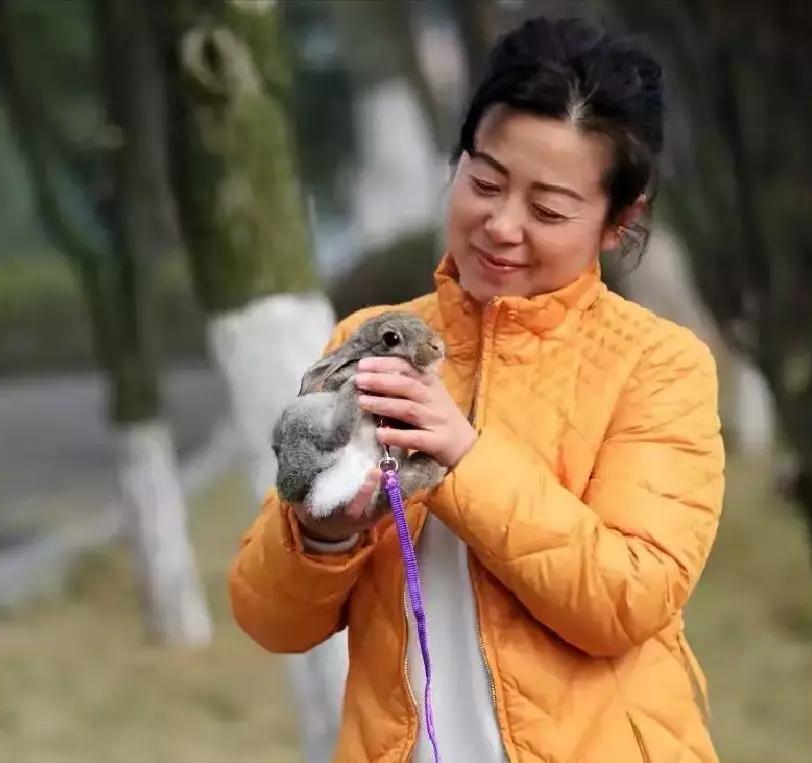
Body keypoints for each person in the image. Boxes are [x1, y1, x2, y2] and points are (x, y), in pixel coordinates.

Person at [230, 15, 724, 763]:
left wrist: (463, 457)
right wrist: (327, 528)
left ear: (619, 222)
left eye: (549, 210)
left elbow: (626, 597)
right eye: (484, 181)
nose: (500, 224)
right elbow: (268, 616)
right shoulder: (373, 341)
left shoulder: (659, 365)